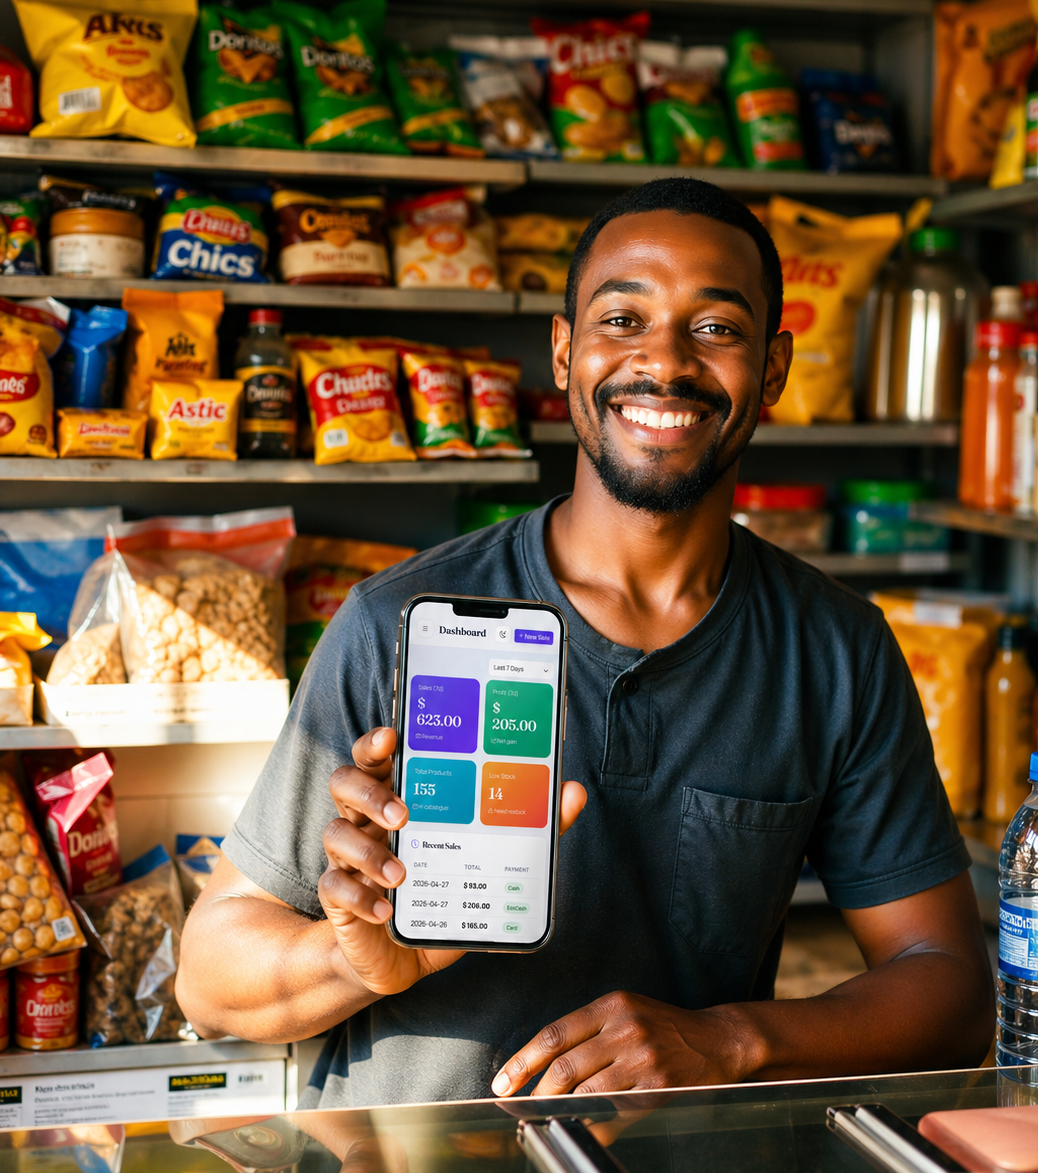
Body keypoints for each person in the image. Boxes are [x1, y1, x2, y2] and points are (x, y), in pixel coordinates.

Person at [176, 178, 994, 1107]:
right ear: (565, 352)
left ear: (771, 368)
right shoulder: (396, 622)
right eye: (622, 319)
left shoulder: (835, 650)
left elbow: (952, 989)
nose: (666, 362)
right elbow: (209, 974)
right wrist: (356, 959)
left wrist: (730, 1040)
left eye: (717, 328)